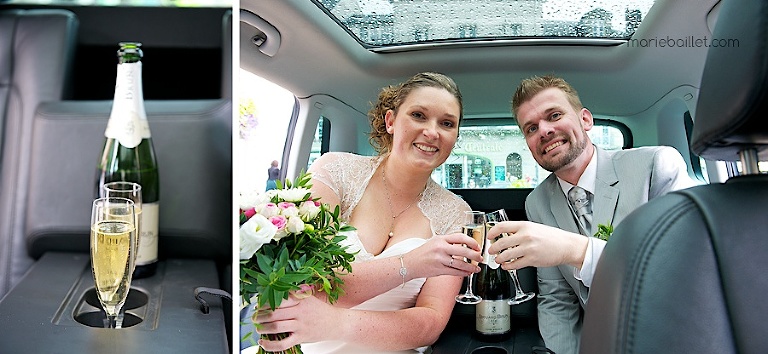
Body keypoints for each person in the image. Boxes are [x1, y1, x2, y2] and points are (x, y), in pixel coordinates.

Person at [252, 72, 483, 354]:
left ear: (454, 137)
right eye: (419, 115)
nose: (432, 132)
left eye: (447, 123)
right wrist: (410, 263)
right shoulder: (335, 173)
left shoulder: (457, 214)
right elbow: (304, 284)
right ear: (390, 122)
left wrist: (336, 323)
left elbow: (430, 324)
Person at [486, 75, 696, 354]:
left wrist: (578, 250)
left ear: (585, 120)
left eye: (555, 115)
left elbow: (680, 276)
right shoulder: (537, 202)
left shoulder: (655, 166)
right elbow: (556, 299)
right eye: (531, 128)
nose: (544, 131)